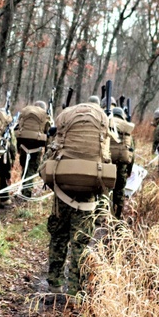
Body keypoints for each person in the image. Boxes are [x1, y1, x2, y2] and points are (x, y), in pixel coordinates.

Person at [46, 96, 111, 297]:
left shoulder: (66, 118)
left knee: (58, 237)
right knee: (80, 243)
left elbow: (49, 157)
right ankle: (75, 292)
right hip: (89, 192)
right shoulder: (103, 123)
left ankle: (54, 286)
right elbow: (107, 160)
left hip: (63, 190)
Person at [16, 101, 50, 198]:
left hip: (23, 145)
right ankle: (26, 193)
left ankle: (24, 188)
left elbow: (18, 128)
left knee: (25, 167)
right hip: (36, 146)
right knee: (31, 168)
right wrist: (47, 152)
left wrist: (18, 147)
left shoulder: (26, 113)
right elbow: (48, 135)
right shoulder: (45, 116)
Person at [108, 106, 135, 220]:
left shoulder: (107, 123)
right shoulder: (127, 128)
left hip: (107, 164)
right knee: (119, 191)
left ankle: (102, 216)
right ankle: (117, 216)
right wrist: (129, 170)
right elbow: (131, 152)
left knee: (104, 190)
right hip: (121, 165)